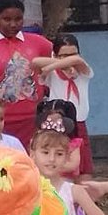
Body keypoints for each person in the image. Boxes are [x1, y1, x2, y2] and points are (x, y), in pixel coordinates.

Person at [0, 0, 53, 149]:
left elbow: (57, 66)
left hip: (33, 121)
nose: (13, 24)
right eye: (6, 19)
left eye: (18, 19)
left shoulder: (39, 43)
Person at [35, 34, 95, 176]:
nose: (69, 59)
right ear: (54, 54)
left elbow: (76, 60)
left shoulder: (83, 72)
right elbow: (35, 61)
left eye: (73, 53)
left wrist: (52, 66)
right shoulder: (53, 75)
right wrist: (56, 67)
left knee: (83, 168)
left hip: (78, 124)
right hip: (55, 126)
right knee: (56, 163)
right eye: (63, 55)